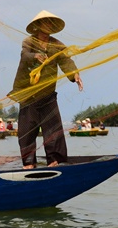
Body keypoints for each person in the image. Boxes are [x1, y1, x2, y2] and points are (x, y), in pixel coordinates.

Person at [11, 10, 83, 168]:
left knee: (53, 128)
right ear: (37, 26)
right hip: (28, 93)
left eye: (51, 23)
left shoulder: (56, 44)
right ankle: (29, 163)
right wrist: (35, 56)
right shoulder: (29, 41)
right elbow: (25, 55)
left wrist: (75, 75)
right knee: (27, 130)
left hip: (48, 94)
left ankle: (53, 160)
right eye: (46, 22)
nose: (49, 25)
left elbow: (65, 60)